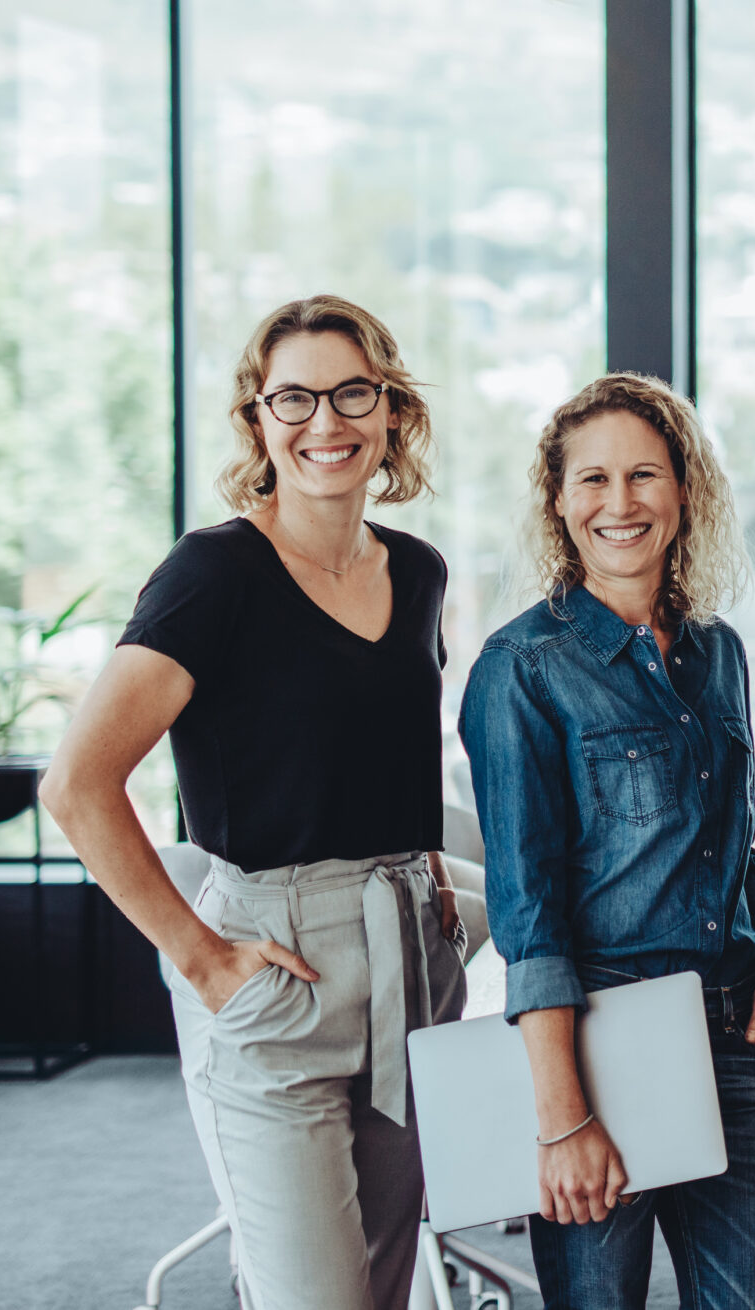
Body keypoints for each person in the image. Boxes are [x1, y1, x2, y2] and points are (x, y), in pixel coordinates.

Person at [41, 294, 466, 1310]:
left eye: (353, 392)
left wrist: (430, 868)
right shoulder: (213, 573)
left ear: (392, 410)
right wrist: (203, 957)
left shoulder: (416, 570)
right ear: (257, 420)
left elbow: (384, 748)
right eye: (295, 398)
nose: (328, 422)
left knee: (384, 1284)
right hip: (277, 970)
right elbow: (76, 784)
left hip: (411, 955)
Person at [458, 372, 755, 1310]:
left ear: (684, 490)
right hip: (600, 1039)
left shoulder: (719, 651)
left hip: (735, 1037)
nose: (621, 503)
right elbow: (526, 911)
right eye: (593, 481)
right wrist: (562, 1116)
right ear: (559, 501)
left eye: (644, 476)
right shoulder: (521, 669)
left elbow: (736, 839)